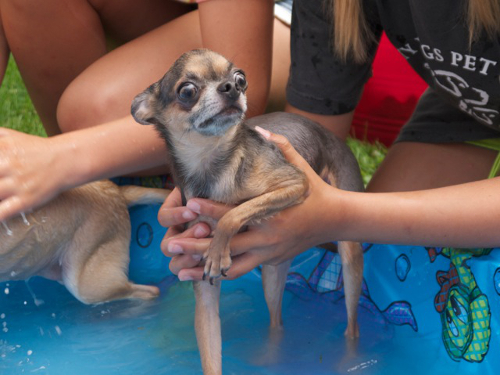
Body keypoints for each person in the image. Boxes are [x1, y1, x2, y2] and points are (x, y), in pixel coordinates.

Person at [161, 0, 500, 281]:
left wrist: (341, 214)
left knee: (378, 228)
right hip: (471, 113)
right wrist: (220, 185)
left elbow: (342, 214)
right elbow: (313, 133)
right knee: (381, 257)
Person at [0, 0, 291, 221]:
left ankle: (76, 174)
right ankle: (73, 187)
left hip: (276, 17)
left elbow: (239, 85)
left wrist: (64, 156)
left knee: (90, 113)